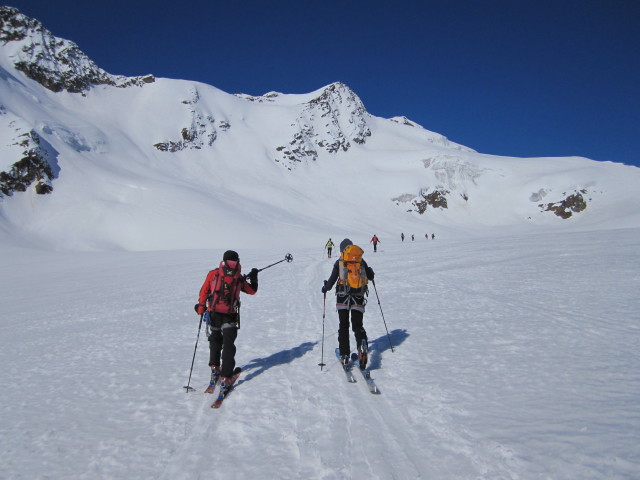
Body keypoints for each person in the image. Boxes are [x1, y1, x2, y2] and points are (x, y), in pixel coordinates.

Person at [194, 250, 258, 389]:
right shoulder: (238, 277)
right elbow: (252, 291)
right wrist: (254, 277)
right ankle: (225, 377)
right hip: (230, 315)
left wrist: (201, 307)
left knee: (215, 340)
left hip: (214, 314)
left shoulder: (213, 274)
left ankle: (214, 368)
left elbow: (204, 290)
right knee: (228, 346)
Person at [321, 239, 375, 369]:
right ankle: (362, 345)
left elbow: (332, 280)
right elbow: (371, 276)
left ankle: (344, 355)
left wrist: (325, 288)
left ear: (342, 250)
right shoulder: (361, 260)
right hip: (358, 296)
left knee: (343, 325)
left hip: (342, 297)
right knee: (358, 325)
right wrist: (370, 271)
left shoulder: (340, 262)